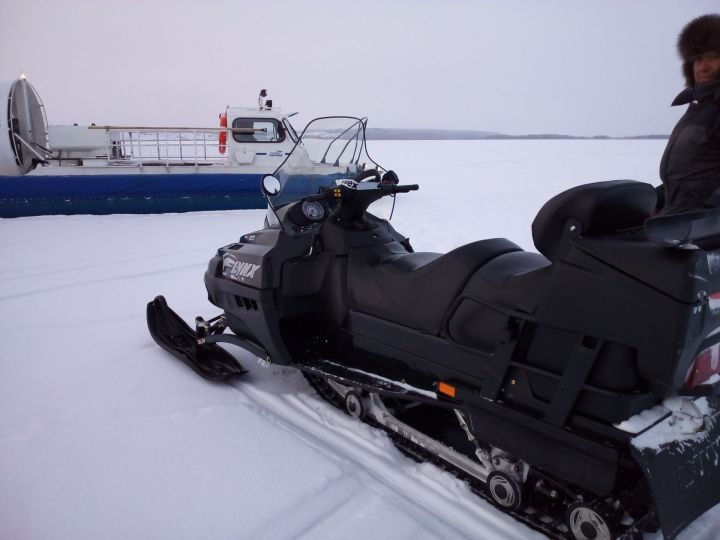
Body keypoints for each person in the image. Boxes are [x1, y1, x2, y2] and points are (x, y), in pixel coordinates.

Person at [659, 14, 720, 214]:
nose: (704, 66)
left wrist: (703, 213)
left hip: (702, 228)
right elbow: (691, 174)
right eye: (698, 59)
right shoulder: (698, 107)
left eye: (714, 57)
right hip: (679, 220)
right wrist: (660, 201)